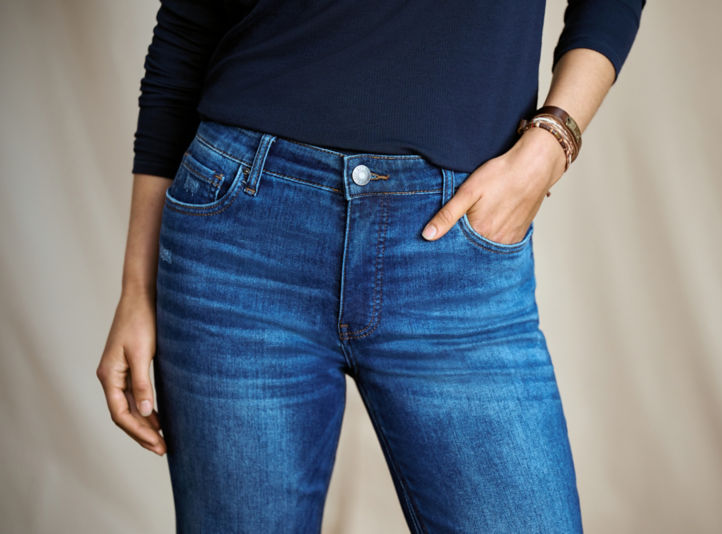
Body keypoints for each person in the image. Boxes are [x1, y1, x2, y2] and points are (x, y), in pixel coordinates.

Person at [96, 0, 645, 532]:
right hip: (242, 236)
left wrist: (552, 143)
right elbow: (188, 27)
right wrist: (136, 287)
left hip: (453, 247)